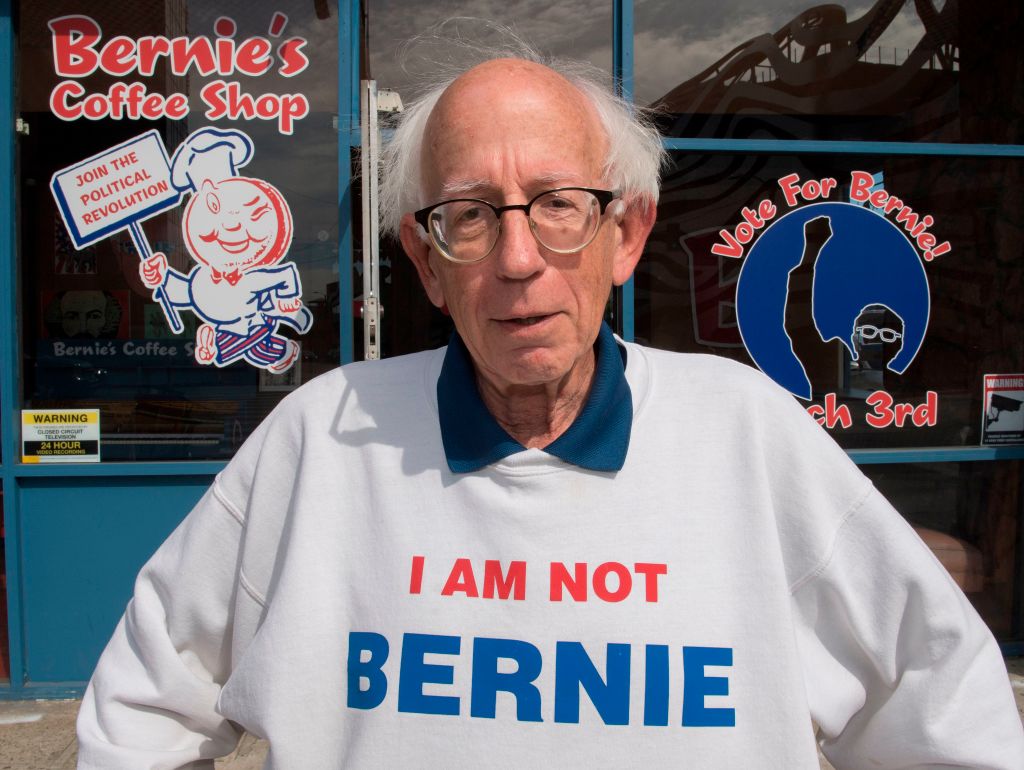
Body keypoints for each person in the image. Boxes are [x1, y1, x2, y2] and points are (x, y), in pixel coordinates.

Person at [77, 41, 1024, 770]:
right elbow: (142, 710)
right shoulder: (320, 442)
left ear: (626, 234)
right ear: (426, 264)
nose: (518, 259)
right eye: (471, 215)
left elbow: (949, 711)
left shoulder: (748, 436)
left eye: (559, 204)